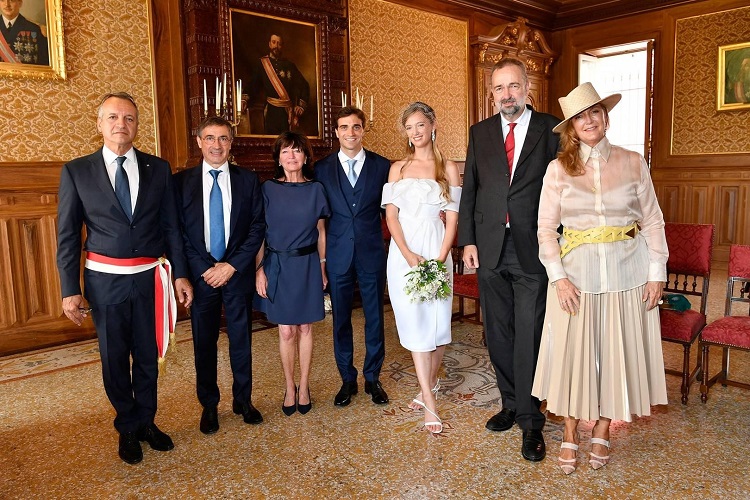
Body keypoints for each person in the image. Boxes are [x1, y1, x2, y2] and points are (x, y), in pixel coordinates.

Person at [532, 82, 669, 474]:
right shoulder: (557, 170)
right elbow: (545, 230)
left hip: (629, 272)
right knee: (574, 356)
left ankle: (603, 428)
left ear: (605, 117)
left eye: (595, 112)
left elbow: (653, 220)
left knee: (616, 352)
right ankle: (571, 432)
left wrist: (656, 272)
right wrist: (558, 278)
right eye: (580, 116)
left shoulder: (632, 162)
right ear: (571, 128)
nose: (589, 120)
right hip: (576, 279)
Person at [56, 92, 193, 464]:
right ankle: (127, 427)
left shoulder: (158, 168)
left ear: (137, 125)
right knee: (115, 357)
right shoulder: (76, 171)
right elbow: (68, 235)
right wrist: (70, 290)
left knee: (148, 356)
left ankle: (147, 421)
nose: (122, 124)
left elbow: (172, 228)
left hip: (150, 279)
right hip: (105, 282)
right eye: (114, 117)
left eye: (130, 118)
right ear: (99, 123)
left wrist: (181, 275)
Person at [457, 58, 560, 461]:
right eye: (500, 89)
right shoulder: (479, 132)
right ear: (491, 94)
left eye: (514, 86)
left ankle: (531, 422)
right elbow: (471, 191)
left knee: (529, 333)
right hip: (488, 247)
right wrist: (467, 241)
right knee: (497, 331)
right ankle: (509, 403)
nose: (507, 95)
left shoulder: (551, 129)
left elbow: (563, 189)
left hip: (533, 247)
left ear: (527, 87)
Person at [173, 117, 265, 434]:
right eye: (210, 138)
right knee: (204, 342)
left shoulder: (248, 180)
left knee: (241, 340)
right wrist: (204, 268)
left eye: (223, 138)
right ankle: (209, 405)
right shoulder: (180, 182)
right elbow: (180, 233)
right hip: (202, 277)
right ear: (199, 142)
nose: (216, 145)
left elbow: (256, 229)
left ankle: (243, 400)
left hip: (236, 273)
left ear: (231, 143)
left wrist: (231, 266)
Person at [381, 102, 461, 434]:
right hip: (404, 254)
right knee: (415, 324)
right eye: (409, 128)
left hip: (437, 249)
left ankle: (429, 384)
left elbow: (454, 217)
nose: (415, 133)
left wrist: (441, 256)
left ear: (432, 126)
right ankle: (429, 399)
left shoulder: (449, 168)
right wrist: (408, 253)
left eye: (420, 126)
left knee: (439, 324)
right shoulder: (397, 168)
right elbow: (391, 215)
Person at [315, 107, 391, 407]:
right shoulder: (321, 169)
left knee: (375, 318)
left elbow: (393, 211)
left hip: (372, 252)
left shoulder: (383, 166)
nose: (350, 133)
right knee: (340, 320)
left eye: (356, 127)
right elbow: (317, 217)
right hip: (337, 254)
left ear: (363, 130)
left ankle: (373, 377)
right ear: (336, 132)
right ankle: (347, 378)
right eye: (344, 127)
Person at [255, 132, 330, 416]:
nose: (291, 156)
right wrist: (259, 270)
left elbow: (321, 232)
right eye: (286, 151)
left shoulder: (316, 189)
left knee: (306, 328)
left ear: (306, 157)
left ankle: (305, 385)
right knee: (286, 330)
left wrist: (322, 267)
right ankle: (289, 387)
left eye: (297, 151)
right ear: (278, 158)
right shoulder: (267, 189)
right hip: (277, 265)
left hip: (308, 264)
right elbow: (259, 234)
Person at [248, 34, 310, 135]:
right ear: (269, 44)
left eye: (279, 43)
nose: (276, 46)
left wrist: (301, 106)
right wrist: (244, 99)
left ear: (282, 46)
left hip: (287, 113)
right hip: (271, 112)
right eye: (274, 42)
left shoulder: (289, 65)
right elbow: (252, 85)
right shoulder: (262, 64)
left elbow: (304, 85)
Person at [0, 0, 49, 65]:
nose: (7, 4)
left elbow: (43, 63)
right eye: (2, 0)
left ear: (20, 3)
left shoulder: (35, 30)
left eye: (12, 0)